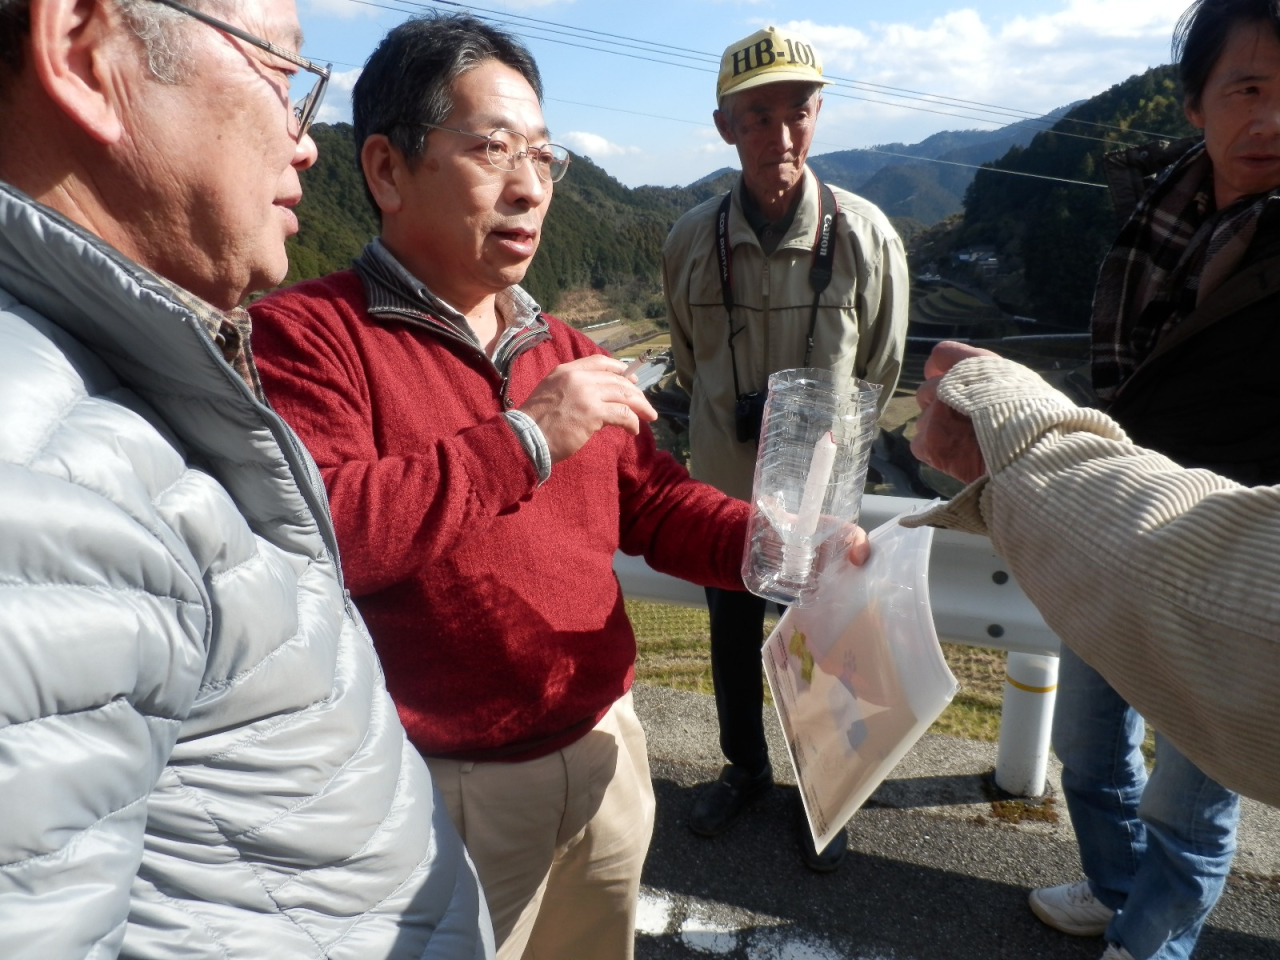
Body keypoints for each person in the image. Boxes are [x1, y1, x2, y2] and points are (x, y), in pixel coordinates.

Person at [248, 14, 759, 960]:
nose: (530, 186)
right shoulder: (308, 335)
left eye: (544, 156)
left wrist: (779, 544)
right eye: (491, 150)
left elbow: (653, 502)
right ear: (387, 171)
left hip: (606, 749)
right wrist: (527, 436)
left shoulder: (562, 348)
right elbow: (330, 535)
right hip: (441, 787)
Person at [0, 0, 490, 958]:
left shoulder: (137, 376)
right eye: (281, 71)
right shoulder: (43, 489)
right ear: (83, 53)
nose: (307, 146)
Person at [904, 15, 1280, 835]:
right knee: (1089, 746)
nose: (1272, 121)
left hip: (1222, 561)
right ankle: (1115, 892)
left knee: (1192, 798)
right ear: (1194, 103)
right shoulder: (1161, 210)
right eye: (1248, 90)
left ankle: (1152, 939)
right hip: (1110, 515)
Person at [661, 24, 909, 870]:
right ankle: (745, 770)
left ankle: (824, 792)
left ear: (819, 116)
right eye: (757, 116)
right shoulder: (690, 239)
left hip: (823, 507)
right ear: (726, 126)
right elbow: (689, 362)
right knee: (731, 644)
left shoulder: (868, 238)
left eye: (799, 112)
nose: (782, 135)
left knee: (824, 659)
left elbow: (879, 372)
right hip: (725, 498)